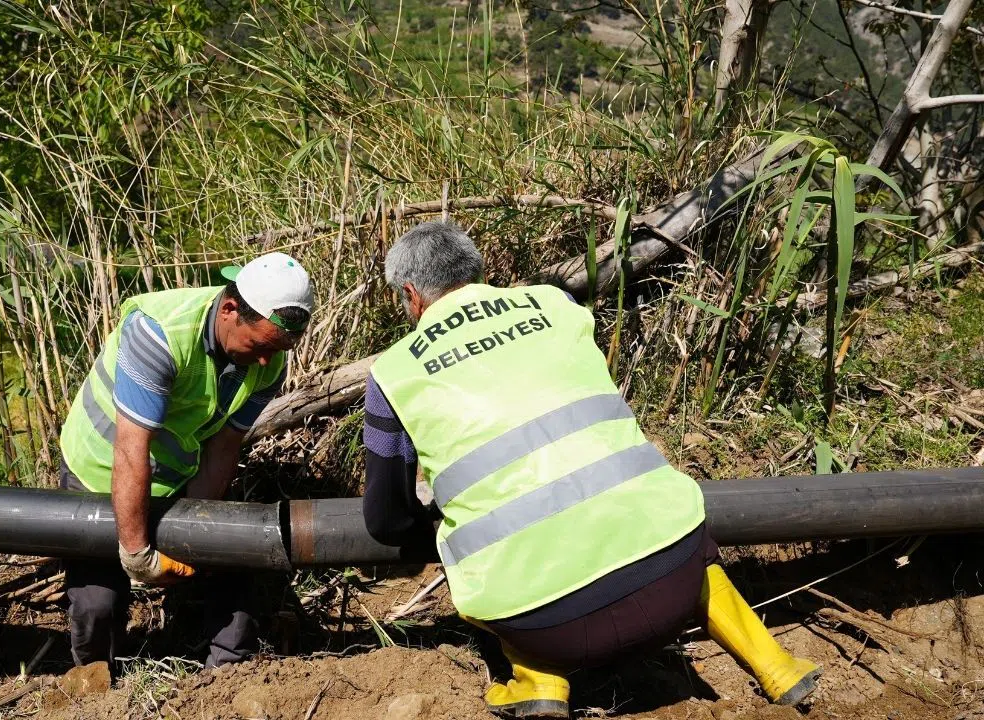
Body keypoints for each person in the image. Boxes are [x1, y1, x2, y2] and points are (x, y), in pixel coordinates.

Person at [361, 222, 819, 719]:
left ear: (411, 294)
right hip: (674, 578)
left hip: (548, 628)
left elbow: (385, 520)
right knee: (663, 511)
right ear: (476, 271)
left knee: (477, 548)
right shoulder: (555, 305)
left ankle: (537, 681)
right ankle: (776, 665)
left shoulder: (394, 372)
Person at [58, 252, 313, 670]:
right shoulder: (158, 333)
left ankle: (227, 681)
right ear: (230, 310)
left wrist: (197, 526)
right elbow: (131, 449)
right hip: (102, 472)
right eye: (260, 346)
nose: (268, 361)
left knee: (232, 572)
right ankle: (95, 686)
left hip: (176, 476)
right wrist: (138, 552)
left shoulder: (269, 356)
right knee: (98, 603)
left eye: (278, 348)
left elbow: (224, 448)